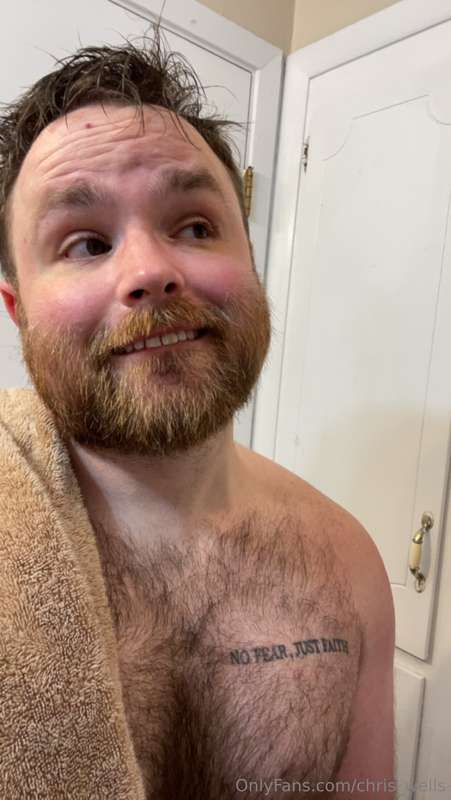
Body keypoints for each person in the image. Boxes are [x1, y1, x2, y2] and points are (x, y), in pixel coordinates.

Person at [0, 29, 395, 799]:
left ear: (249, 262)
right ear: (19, 312)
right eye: (84, 243)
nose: (150, 271)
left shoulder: (346, 566)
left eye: (194, 227)